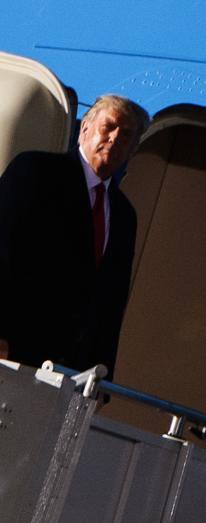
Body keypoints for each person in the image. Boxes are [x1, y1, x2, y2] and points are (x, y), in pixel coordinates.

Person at [0, 94, 150, 374]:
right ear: (85, 129)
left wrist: (101, 374)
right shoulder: (36, 171)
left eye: (126, 135)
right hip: (13, 349)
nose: (115, 138)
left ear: (132, 151)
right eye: (109, 126)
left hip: (72, 371)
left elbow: (111, 300)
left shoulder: (123, 214)